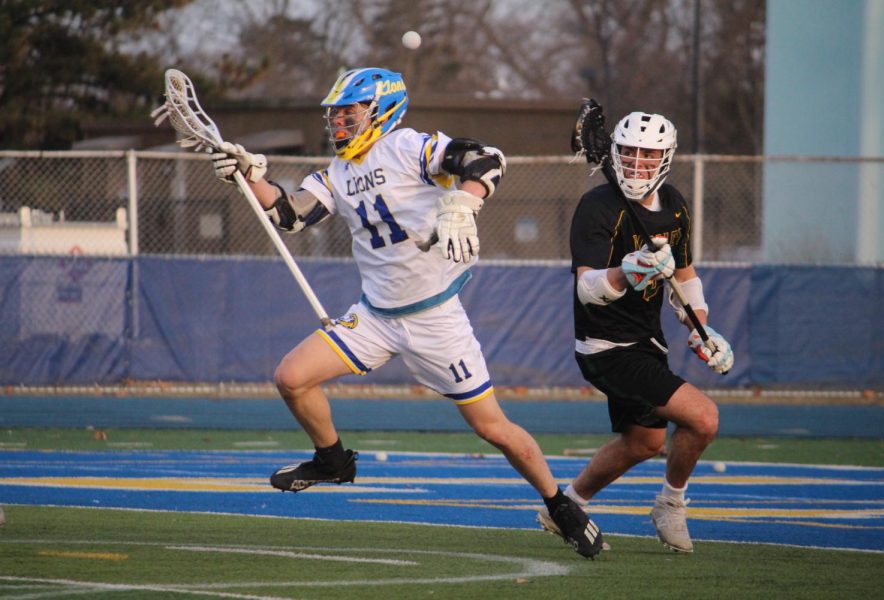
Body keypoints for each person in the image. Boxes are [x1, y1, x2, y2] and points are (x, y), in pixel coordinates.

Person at [209, 67, 603, 559]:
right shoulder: (337, 171)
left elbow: (487, 159)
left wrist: (463, 200)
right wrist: (249, 178)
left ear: (380, 111)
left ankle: (559, 503)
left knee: (492, 427)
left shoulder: (407, 147)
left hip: (435, 318)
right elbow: (292, 214)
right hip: (375, 316)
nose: (337, 123)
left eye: (348, 112)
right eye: (335, 114)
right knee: (291, 377)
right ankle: (332, 461)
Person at [537, 109, 733, 553]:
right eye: (628, 152)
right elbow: (587, 288)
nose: (637, 163)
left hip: (646, 342)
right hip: (605, 345)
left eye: (648, 155)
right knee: (703, 419)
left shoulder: (676, 206)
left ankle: (563, 507)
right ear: (614, 153)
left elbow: (684, 276)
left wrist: (701, 325)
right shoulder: (598, 206)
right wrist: (629, 270)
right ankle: (671, 504)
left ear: (665, 159)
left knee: (644, 442)